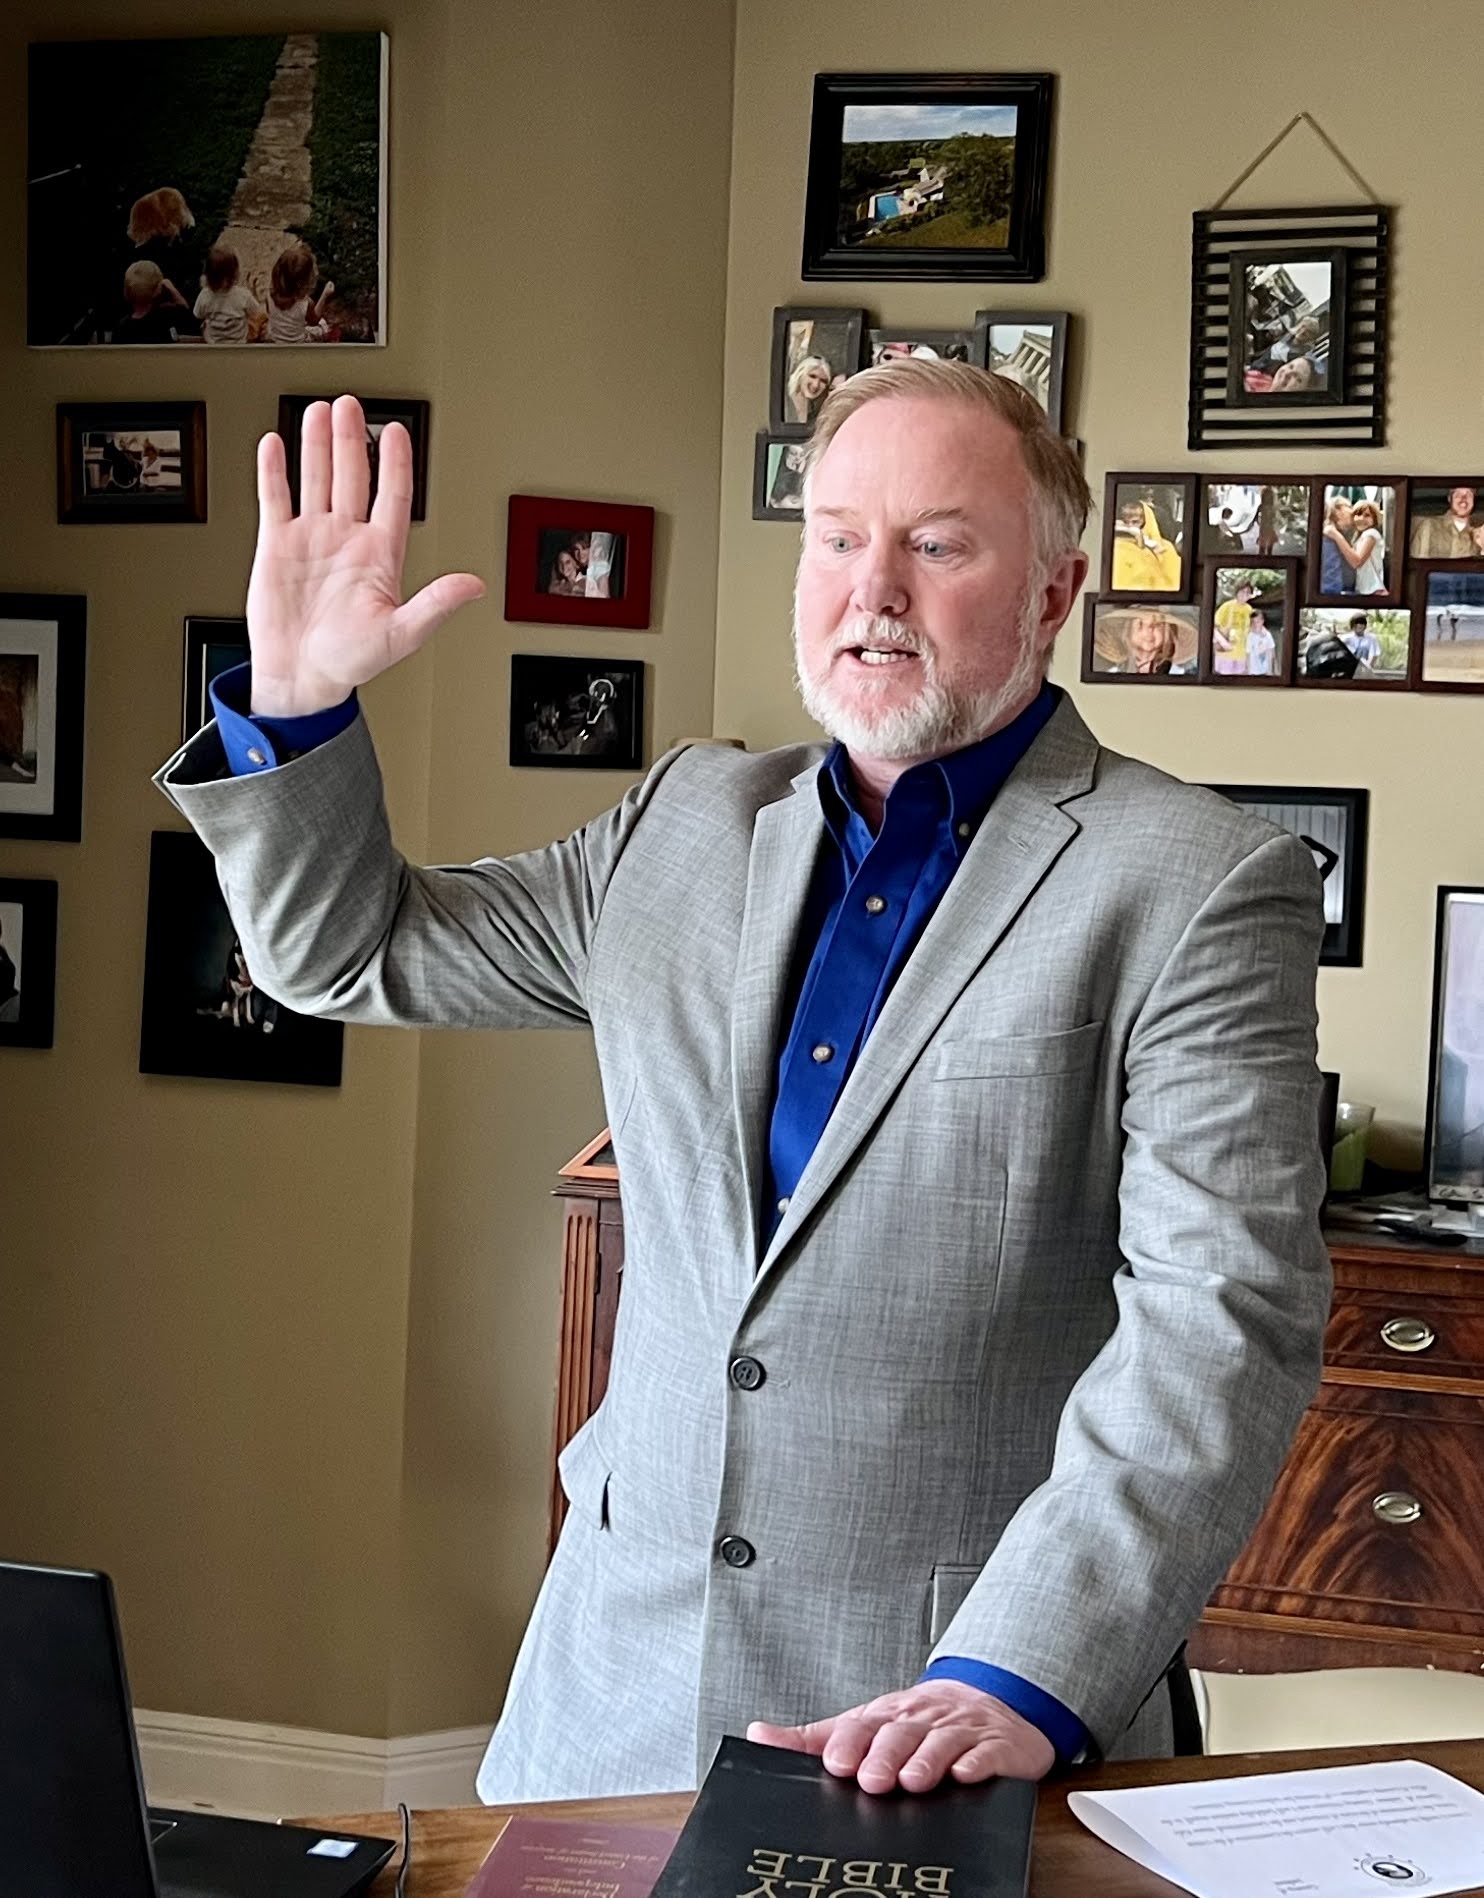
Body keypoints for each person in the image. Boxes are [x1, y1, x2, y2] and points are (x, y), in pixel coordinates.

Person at [156, 367, 1329, 1807]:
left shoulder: (1198, 881)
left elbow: (1221, 1324)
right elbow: (351, 949)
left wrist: (1017, 1676)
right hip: (605, 1700)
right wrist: (300, 702)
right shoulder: (684, 821)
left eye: (937, 543)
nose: (872, 589)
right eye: (837, 537)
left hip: (941, 1720)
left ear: (1054, 590)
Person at [193, 244, 266, 345]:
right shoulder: (243, 295)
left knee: (205, 324)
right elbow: (256, 312)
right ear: (235, 273)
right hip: (239, 343)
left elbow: (198, 314)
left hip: (213, 343)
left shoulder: (204, 295)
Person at [109, 259, 193, 343]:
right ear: (158, 290)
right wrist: (172, 289)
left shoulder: (120, 329)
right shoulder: (166, 318)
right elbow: (189, 318)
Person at [266, 243, 335, 343]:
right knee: (322, 326)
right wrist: (325, 294)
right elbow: (314, 321)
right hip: (298, 343)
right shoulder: (305, 304)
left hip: (276, 340)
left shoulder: (269, 297)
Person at [1110, 498, 1182, 592]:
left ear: (1146, 520)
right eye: (1125, 522)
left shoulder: (1165, 547)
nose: (1130, 525)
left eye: (1135, 522)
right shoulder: (1114, 545)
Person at [1324, 499, 1386, 596]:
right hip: (1364, 590)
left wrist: (1336, 535)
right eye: (1358, 514)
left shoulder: (1371, 534)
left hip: (1373, 589)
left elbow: (1356, 561)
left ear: (1375, 519)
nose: (1361, 518)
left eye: (1367, 515)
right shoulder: (1359, 538)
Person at [1411, 487, 1480, 560]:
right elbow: (1418, 564)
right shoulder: (1430, 527)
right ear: (1449, 498)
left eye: (1469, 495)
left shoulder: (1479, 532)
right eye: (1458, 495)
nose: (1463, 499)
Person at [1212, 581, 1255, 674]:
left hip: (1241, 654)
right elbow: (1213, 627)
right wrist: (1223, 642)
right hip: (1226, 653)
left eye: (1248, 592)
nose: (1245, 594)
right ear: (1237, 592)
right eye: (1242, 591)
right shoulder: (1227, 606)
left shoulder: (1249, 609)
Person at [786, 353, 836, 426]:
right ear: (800, 374)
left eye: (823, 381)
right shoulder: (783, 403)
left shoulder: (819, 412)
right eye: (812, 376)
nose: (816, 385)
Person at [1245, 608, 1277, 678]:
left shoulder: (1267, 635)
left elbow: (1272, 652)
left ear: (1262, 621)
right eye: (1253, 622)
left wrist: (1271, 670)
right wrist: (1248, 670)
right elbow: (1248, 653)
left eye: (1258, 621)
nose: (1255, 624)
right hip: (1253, 671)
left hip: (1265, 670)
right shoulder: (1250, 636)